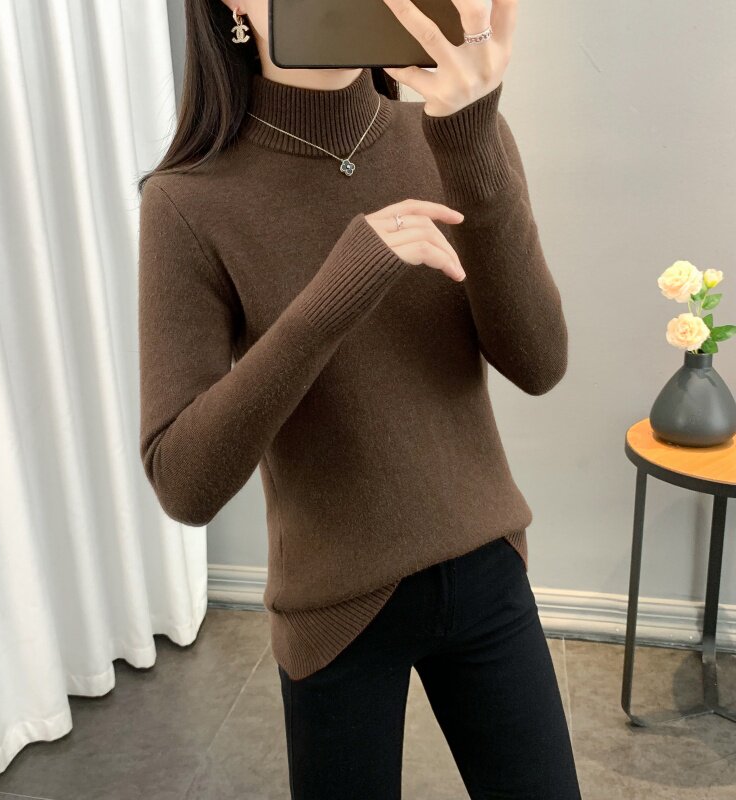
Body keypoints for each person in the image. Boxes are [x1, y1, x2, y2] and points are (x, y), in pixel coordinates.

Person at [137, 0, 582, 797]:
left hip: (486, 571)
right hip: (333, 610)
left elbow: (540, 363)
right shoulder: (188, 201)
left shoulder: (453, 136)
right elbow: (185, 483)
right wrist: (336, 292)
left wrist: (471, 136)